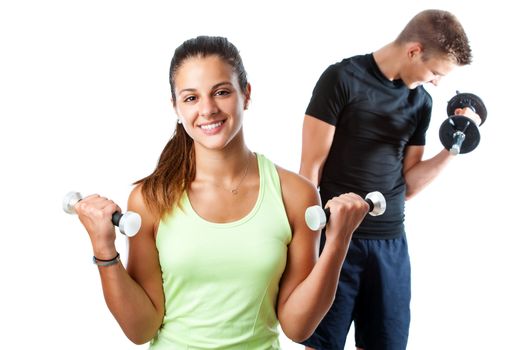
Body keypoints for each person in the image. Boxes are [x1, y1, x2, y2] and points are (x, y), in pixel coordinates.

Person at [73, 36, 371, 349]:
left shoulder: (295, 194)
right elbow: (141, 329)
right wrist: (104, 249)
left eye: (222, 92)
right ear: (175, 107)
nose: (208, 109)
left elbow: (298, 328)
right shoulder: (150, 199)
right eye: (191, 98)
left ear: (246, 94)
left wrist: (337, 242)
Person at [299, 9, 481, 350]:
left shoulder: (420, 102)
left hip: (391, 247)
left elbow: (408, 185)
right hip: (337, 241)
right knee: (321, 344)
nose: (437, 82)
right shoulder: (341, 79)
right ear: (413, 51)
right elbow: (310, 170)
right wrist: (308, 249)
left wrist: (453, 146)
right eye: (435, 72)